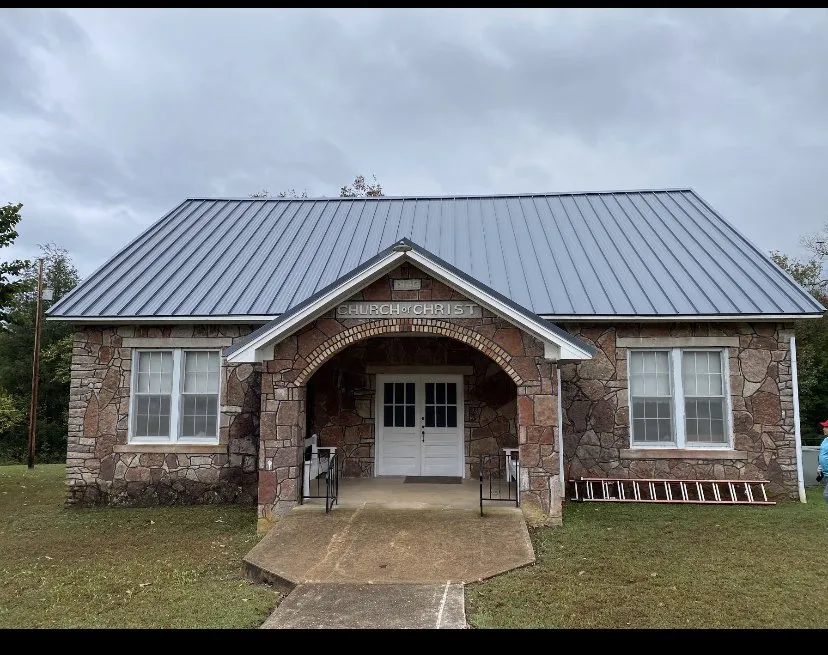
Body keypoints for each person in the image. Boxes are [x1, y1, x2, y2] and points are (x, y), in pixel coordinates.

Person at [819, 420, 828, 502]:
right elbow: (822, 454)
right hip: (826, 473)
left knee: (826, 495)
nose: (823, 429)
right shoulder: (825, 441)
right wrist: (819, 467)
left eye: (826, 427)